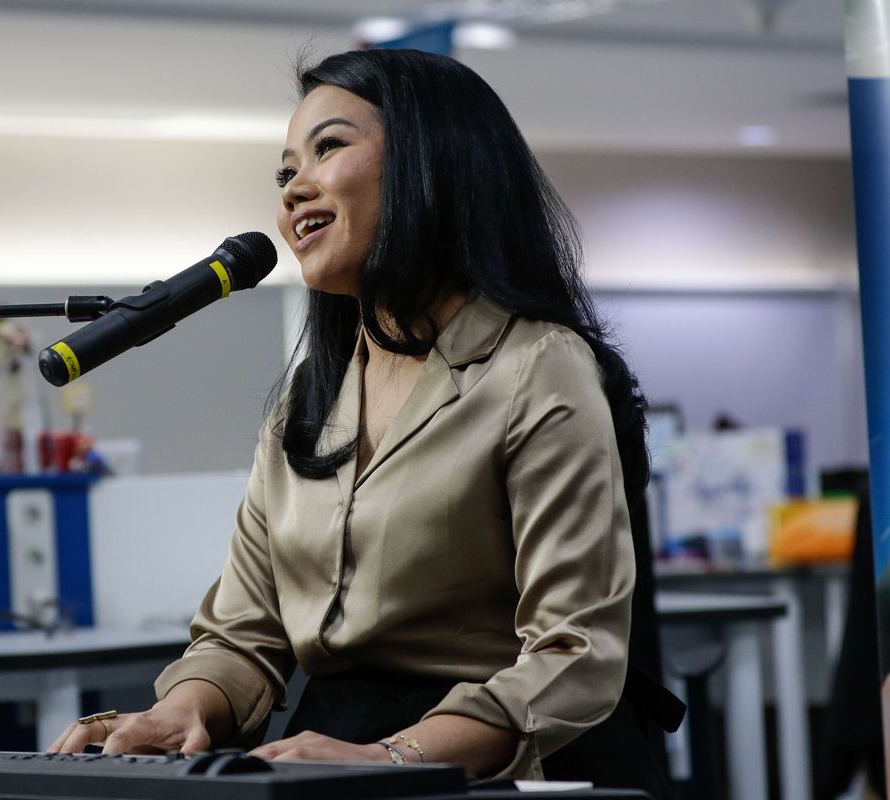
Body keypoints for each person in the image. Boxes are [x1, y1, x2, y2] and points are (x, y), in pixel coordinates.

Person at [50, 48, 669, 794]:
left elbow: (577, 649)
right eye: (284, 173)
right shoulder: (309, 399)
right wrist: (184, 709)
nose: (293, 190)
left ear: (428, 163)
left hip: (507, 766)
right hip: (333, 753)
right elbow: (246, 629)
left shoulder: (537, 365)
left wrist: (392, 758)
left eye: (329, 147)